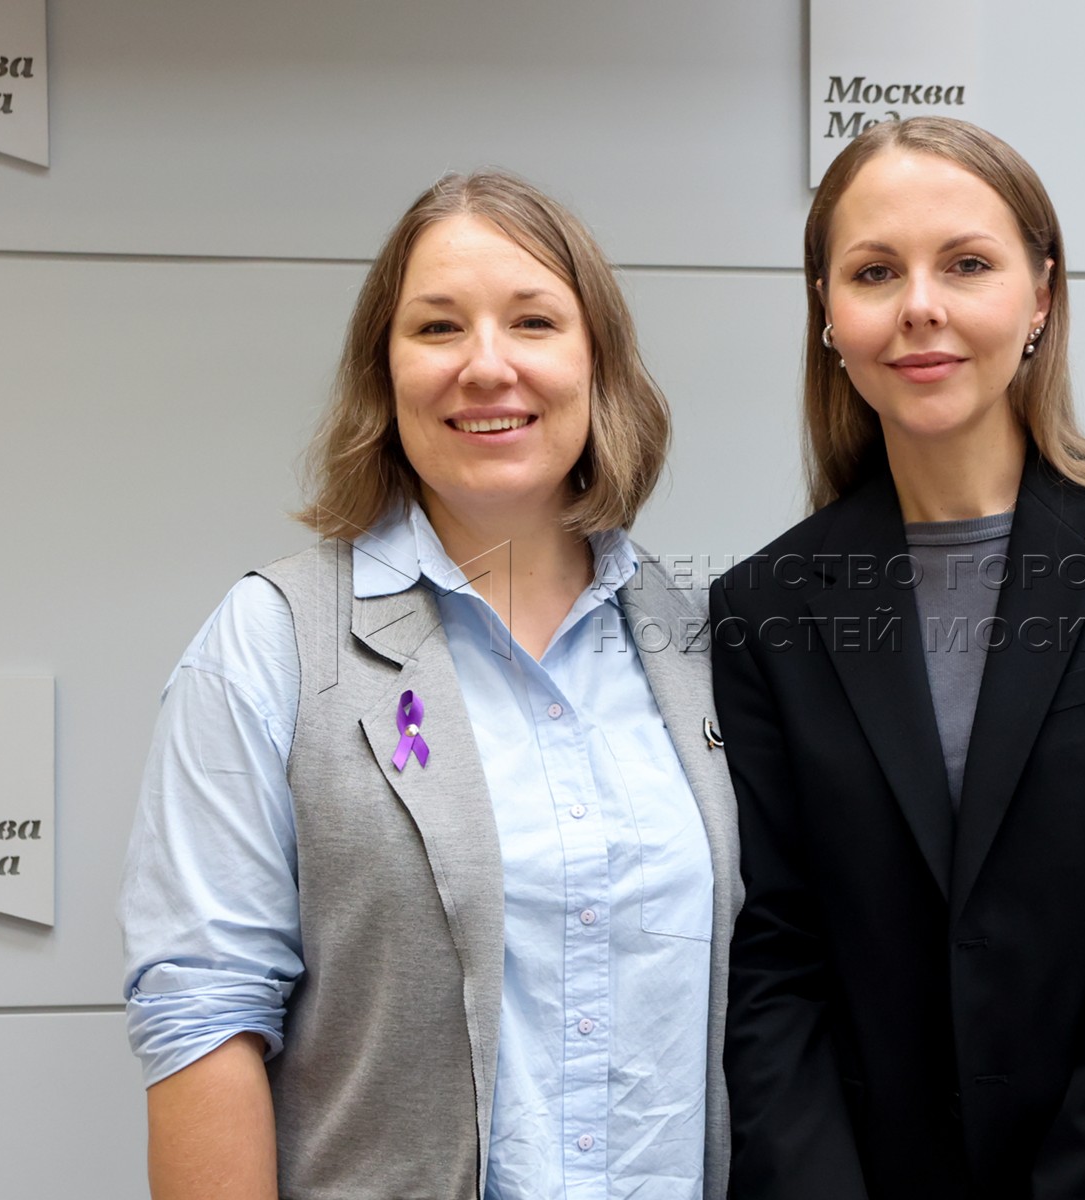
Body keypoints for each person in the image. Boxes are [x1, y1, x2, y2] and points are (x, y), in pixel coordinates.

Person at [119, 170, 739, 1200]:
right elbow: (201, 1014)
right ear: (385, 373)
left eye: (534, 322)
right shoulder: (273, 643)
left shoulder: (696, 644)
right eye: (438, 328)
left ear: (599, 366)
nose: (486, 367)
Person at [709, 118, 1085, 1199]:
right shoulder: (763, 607)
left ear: (1042, 294)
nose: (921, 304)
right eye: (875, 271)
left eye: (967, 264)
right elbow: (779, 960)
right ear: (828, 315)